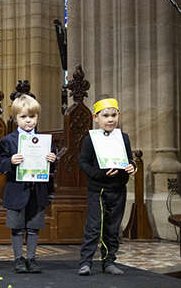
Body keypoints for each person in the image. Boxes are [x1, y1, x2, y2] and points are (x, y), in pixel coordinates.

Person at [0, 94, 56, 274]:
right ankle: (18, 259)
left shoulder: (45, 141)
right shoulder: (8, 141)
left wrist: (52, 160)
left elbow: (52, 167)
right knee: (17, 227)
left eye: (32, 117)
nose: (28, 121)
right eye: (23, 117)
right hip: (16, 190)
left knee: (33, 227)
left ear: (37, 117)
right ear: (15, 118)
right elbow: (0, 164)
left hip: (37, 191)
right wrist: (11, 161)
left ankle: (31, 258)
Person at [78, 96, 136, 276]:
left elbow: (129, 158)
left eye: (113, 115)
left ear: (118, 115)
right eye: (105, 116)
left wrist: (131, 166)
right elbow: (83, 163)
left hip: (118, 188)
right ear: (96, 118)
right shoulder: (91, 139)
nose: (110, 119)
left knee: (113, 227)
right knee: (94, 226)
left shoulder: (123, 138)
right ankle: (86, 262)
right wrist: (101, 174)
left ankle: (109, 261)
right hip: (98, 189)